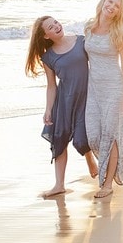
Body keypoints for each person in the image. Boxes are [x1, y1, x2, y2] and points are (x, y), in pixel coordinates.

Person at [25, 15, 97, 198]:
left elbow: (98, 65)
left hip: (86, 98)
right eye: (51, 27)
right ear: (46, 36)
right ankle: (59, 185)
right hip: (64, 101)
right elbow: (51, 86)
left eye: (56, 22)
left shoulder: (81, 41)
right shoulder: (48, 57)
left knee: (81, 140)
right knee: (59, 139)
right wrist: (48, 109)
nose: (56, 26)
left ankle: (90, 159)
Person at [84, 0, 123, 199]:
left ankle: (108, 183)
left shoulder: (119, 32)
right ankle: (119, 162)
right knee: (93, 134)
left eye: (117, 6)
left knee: (110, 135)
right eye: (110, 1)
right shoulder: (88, 27)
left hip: (114, 88)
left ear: (119, 12)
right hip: (93, 89)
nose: (111, 6)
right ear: (103, 1)